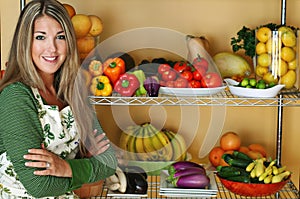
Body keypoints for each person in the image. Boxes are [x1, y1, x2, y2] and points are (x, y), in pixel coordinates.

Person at [0, 0, 117, 198]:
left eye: (60, 37)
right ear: (25, 42)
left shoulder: (74, 92)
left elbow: (109, 162)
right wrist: (85, 167)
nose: (52, 48)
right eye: (40, 37)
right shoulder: (16, 96)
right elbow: (39, 186)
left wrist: (65, 168)